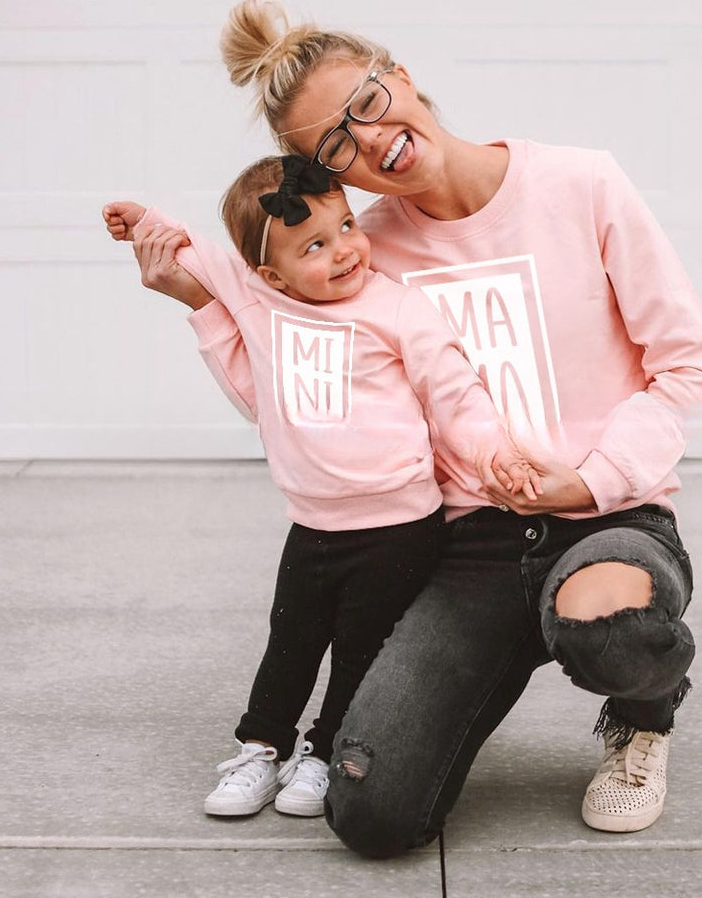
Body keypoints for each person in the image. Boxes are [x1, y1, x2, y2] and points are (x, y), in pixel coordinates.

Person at [104, 0, 702, 855]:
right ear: (324, 175)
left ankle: (642, 719)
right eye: (335, 146)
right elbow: (301, 401)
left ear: (398, 75)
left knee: (617, 632)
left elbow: (690, 364)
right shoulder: (357, 253)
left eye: (366, 102)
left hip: (608, 518)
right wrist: (199, 299)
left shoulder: (582, 184)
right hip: (466, 546)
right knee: (372, 813)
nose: (369, 140)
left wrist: (589, 479)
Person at [104, 153, 541, 820]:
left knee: (360, 651)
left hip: (399, 527)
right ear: (271, 273)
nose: (343, 250)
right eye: (313, 245)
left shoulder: (399, 309)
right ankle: (260, 750)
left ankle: (322, 752)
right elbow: (198, 253)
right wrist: (144, 222)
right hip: (313, 525)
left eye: (345, 226)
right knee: (291, 643)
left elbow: (455, 393)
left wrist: (496, 456)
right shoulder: (258, 298)